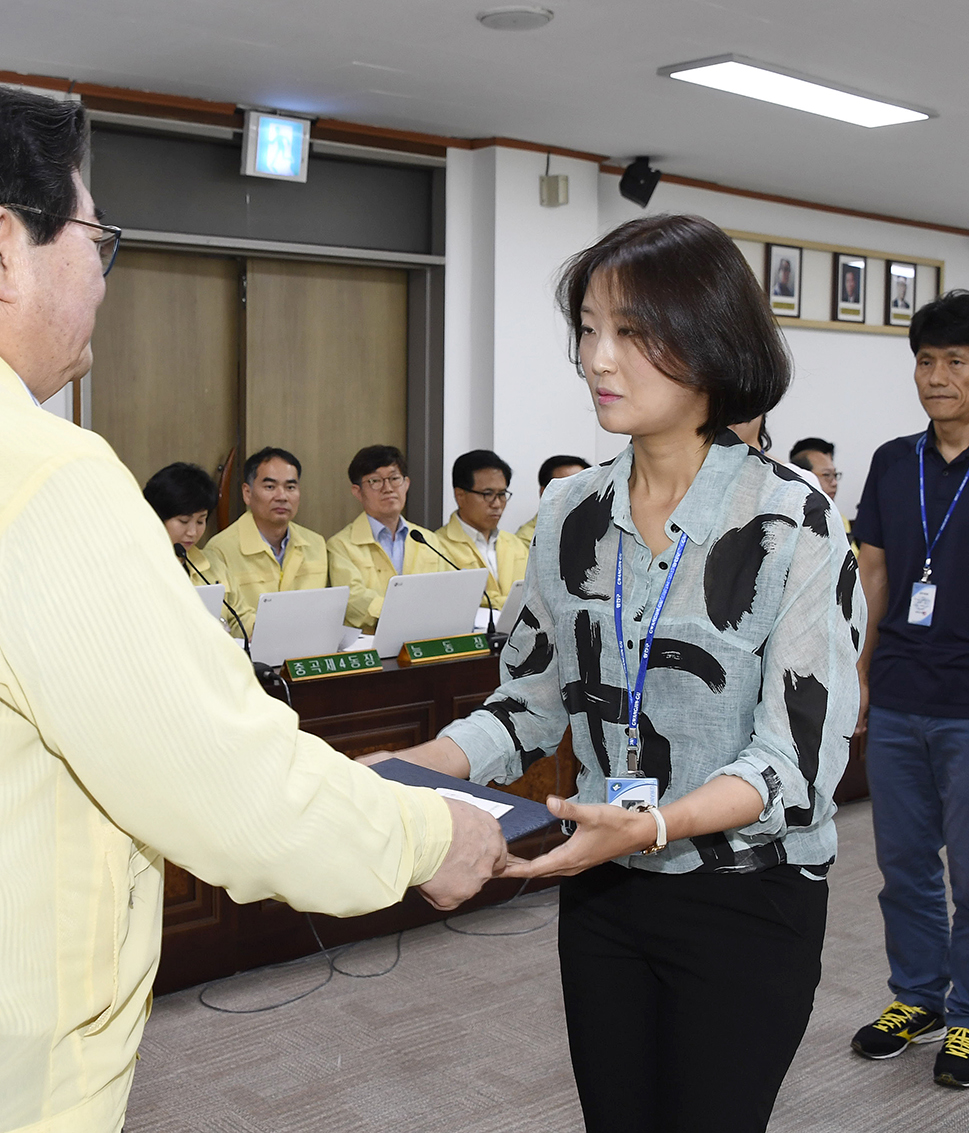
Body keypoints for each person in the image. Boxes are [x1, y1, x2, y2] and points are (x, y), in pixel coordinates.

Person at [0, 78, 505, 1133]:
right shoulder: (31, 472)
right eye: (95, 236)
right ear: (0, 247)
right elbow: (224, 783)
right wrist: (419, 834)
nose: (101, 275)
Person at [366, 214, 863, 1132]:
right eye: (589, 328)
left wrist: (655, 823)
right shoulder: (570, 512)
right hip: (604, 891)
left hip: (745, 893)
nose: (599, 356)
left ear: (713, 341)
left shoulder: (793, 520)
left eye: (633, 331)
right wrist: (410, 764)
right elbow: (525, 706)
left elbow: (794, 763)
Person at [849, 290, 969, 1089]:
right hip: (898, 696)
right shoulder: (895, 460)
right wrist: (861, 671)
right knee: (905, 866)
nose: (936, 376)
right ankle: (918, 997)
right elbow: (878, 571)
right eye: (925, 360)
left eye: (955, 361)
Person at [327, 444, 452, 633]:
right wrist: (404, 614)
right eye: (375, 481)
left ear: (406, 484)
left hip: (426, 638)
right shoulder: (340, 545)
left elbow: (447, 588)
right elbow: (353, 600)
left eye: (394, 479)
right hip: (372, 645)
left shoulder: (428, 539)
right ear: (357, 491)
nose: (388, 488)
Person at [203, 446, 327, 635]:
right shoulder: (220, 550)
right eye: (270, 487)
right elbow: (226, 622)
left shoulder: (316, 543)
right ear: (247, 493)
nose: (282, 496)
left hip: (307, 654)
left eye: (290, 487)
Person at [435, 449, 527, 610]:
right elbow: (462, 600)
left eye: (502, 494)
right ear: (460, 496)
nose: (497, 504)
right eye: (488, 494)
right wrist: (511, 604)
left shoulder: (516, 544)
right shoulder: (437, 546)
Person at [143, 461, 220, 582]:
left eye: (200, 521)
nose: (192, 532)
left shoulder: (215, 565)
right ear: (157, 517)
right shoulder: (137, 567)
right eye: (184, 521)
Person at [516, 454, 591, 545]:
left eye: (581, 486)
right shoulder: (526, 539)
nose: (574, 494)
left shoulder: (600, 529)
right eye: (565, 487)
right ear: (544, 492)